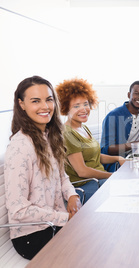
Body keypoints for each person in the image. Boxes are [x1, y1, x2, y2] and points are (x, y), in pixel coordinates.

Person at [4, 76, 81, 259]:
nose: (45, 107)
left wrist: (72, 195)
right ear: (22, 104)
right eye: (35, 101)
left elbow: (62, 177)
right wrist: (64, 218)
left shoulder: (49, 136)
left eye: (49, 99)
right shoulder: (20, 147)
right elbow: (18, 209)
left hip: (54, 224)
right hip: (31, 236)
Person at [56, 78, 125, 202]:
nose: (84, 109)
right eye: (76, 106)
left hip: (99, 181)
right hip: (85, 186)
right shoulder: (67, 133)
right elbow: (82, 171)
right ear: (66, 108)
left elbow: (95, 156)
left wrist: (118, 158)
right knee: (128, 190)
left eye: (86, 104)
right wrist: (113, 176)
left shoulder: (83, 127)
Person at [101, 80, 139, 171]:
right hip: (118, 164)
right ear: (129, 95)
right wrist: (138, 143)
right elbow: (106, 149)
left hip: (137, 158)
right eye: (136, 93)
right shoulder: (113, 116)